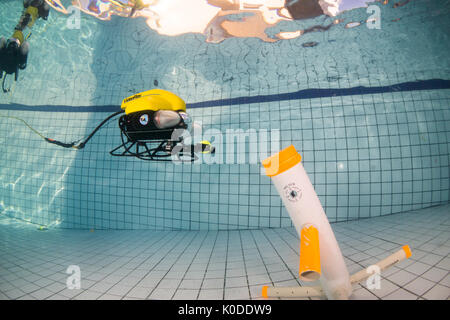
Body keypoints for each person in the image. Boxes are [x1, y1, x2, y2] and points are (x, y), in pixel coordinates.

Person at [0, 0, 49, 84]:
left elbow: (24, 46)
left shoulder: (19, 53)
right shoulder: (20, 47)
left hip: (22, 29)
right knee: (27, 18)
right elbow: (4, 40)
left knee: (25, 19)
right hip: (24, 28)